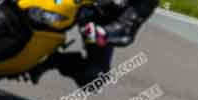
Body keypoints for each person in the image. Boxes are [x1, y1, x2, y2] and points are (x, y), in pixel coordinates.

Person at [28, 0, 158, 87]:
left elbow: (126, 30)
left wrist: (103, 34)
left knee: (95, 77)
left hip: (94, 18)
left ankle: (51, 61)